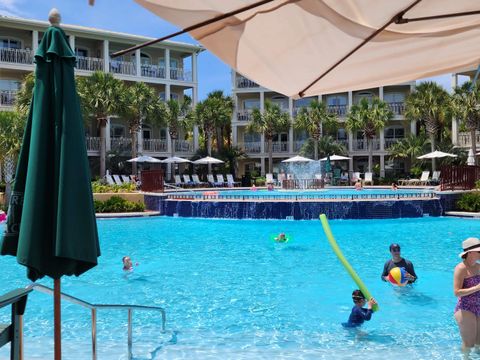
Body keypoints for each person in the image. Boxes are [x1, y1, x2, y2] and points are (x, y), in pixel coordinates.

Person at [453, 237, 480, 351]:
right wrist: (477, 287)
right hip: (465, 308)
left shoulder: (479, 266)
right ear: (469, 253)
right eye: (478, 251)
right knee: (469, 344)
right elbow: (456, 292)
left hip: (478, 306)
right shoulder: (461, 268)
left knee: (479, 343)